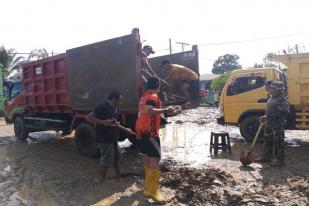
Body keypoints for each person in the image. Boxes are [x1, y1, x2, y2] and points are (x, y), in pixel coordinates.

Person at [135, 77, 176, 204]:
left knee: (147, 157)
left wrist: (166, 112)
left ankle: (147, 189)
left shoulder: (144, 96)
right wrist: (165, 110)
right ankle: (154, 191)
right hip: (150, 133)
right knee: (155, 159)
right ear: (157, 86)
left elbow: (148, 111)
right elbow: (149, 110)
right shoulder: (153, 96)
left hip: (141, 132)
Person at [86, 91, 123, 180]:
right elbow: (88, 118)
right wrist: (103, 122)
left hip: (113, 136)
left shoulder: (115, 108)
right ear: (113, 99)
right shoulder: (102, 107)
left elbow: (115, 123)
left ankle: (118, 174)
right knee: (106, 159)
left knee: (117, 156)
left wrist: (126, 130)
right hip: (104, 137)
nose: (120, 103)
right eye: (119, 100)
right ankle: (102, 180)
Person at [258, 81, 290, 166]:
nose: (270, 89)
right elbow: (270, 110)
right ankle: (266, 158)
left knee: (279, 143)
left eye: (272, 88)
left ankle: (280, 161)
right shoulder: (271, 97)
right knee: (267, 141)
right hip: (269, 124)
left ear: (277, 89)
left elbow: (283, 113)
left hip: (278, 124)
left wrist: (268, 117)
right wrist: (264, 116)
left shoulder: (282, 99)